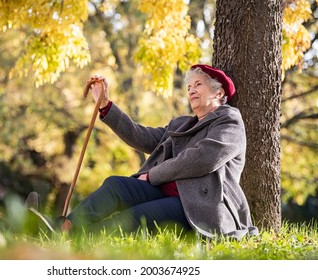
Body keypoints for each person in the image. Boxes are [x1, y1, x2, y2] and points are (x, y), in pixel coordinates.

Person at [27, 64, 259, 240]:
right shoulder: (181, 125)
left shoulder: (229, 121)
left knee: (129, 219)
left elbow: (202, 159)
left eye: (198, 85)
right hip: (163, 192)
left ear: (219, 93)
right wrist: (106, 106)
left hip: (197, 206)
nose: (191, 90)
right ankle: (62, 228)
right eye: (189, 87)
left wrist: (153, 175)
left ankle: (73, 239)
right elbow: (141, 136)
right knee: (115, 185)